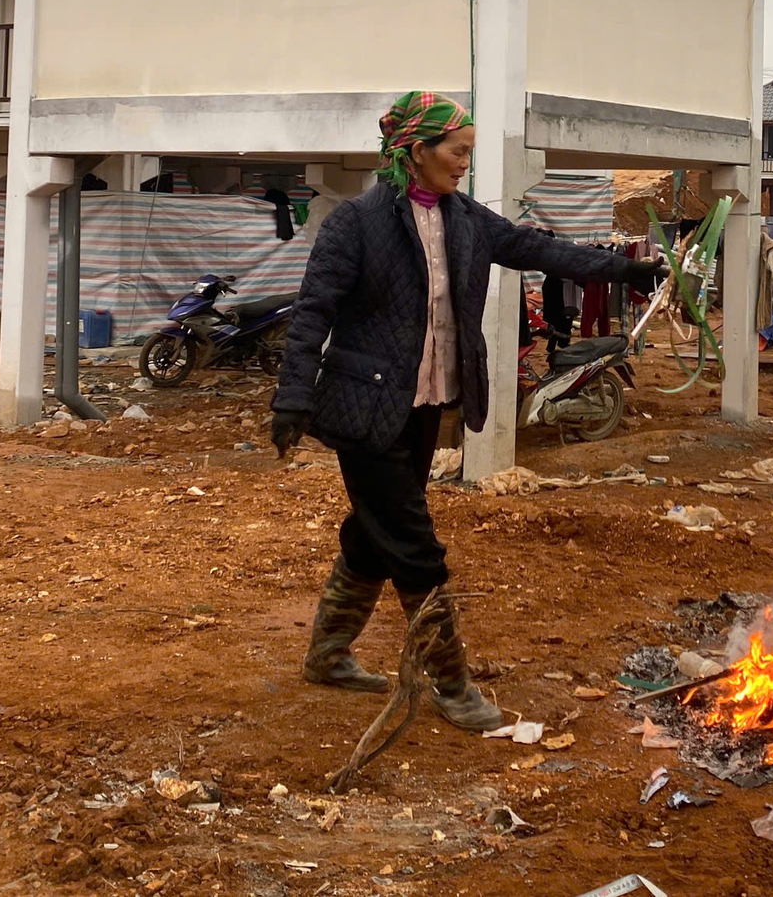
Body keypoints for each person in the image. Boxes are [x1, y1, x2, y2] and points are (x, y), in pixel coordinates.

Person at [270, 91, 660, 731]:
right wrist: (291, 397)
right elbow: (313, 313)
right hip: (365, 408)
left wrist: (625, 269)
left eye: (469, 153)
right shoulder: (355, 223)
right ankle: (452, 685)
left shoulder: (465, 219)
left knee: (375, 531)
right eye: (457, 152)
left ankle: (328, 654)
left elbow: (538, 249)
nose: (464, 164)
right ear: (417, 151)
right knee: (416, 545)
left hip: (427, 405)